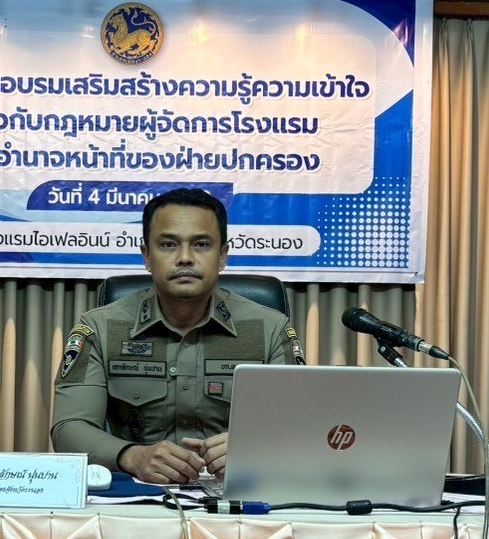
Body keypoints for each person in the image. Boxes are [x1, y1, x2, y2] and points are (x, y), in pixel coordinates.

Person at [50, 188, 305, 485]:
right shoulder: (100, 328)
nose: (185, 258)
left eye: (201, 244)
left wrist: (256, 448)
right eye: (168, 245)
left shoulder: (270, 329)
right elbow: (69, 428)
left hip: (239, 493)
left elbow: (300, 426)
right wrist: (133, 457)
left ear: (222, 256)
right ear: (147, 256)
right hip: (138, 497)